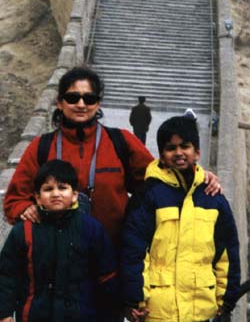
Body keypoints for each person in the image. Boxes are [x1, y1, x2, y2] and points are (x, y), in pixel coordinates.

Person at [4, 67, 154, 248]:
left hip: (113, 255)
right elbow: (14, 199)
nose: (81, 105)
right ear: (60, 103)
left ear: (97, 104)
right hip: (56, 256)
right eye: (73, 98)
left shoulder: (121, 141)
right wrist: (25, 209)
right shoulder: (41, 147)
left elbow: (158, 182)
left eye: (89, 99)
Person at [121, 115, 240, 322]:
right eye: (170, 148)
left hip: (200, 309)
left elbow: (226, 254)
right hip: (158, 311)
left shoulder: (214, 198)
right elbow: (134, 251)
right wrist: (135, 299)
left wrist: (226, 300)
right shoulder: (148, 195)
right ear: (161, 155)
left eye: (185, 146)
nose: (178, 153)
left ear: (197, 152)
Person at [0, 160, 117, 322]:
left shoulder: (92, 229)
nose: (56, 194)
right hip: (35, 316)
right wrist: (4, 313)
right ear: (38, 198)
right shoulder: (24, 231)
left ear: (75, 195)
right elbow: (7, 275)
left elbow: (106, 277)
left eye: (62, 188)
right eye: (48, 189)